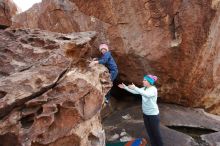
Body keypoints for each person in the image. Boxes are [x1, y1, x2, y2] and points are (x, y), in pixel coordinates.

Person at [118, 75, 163, 146]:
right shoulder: (144, 88)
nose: (143, 81)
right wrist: (125, 87)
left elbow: (146, 94)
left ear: (149, 82)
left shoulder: (153, 89)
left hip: (153, 115)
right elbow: (135, 92)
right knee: (150, 133)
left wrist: (135, 87)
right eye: (143, 80)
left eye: (145, 80)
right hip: (146, 114)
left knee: (156, 133)